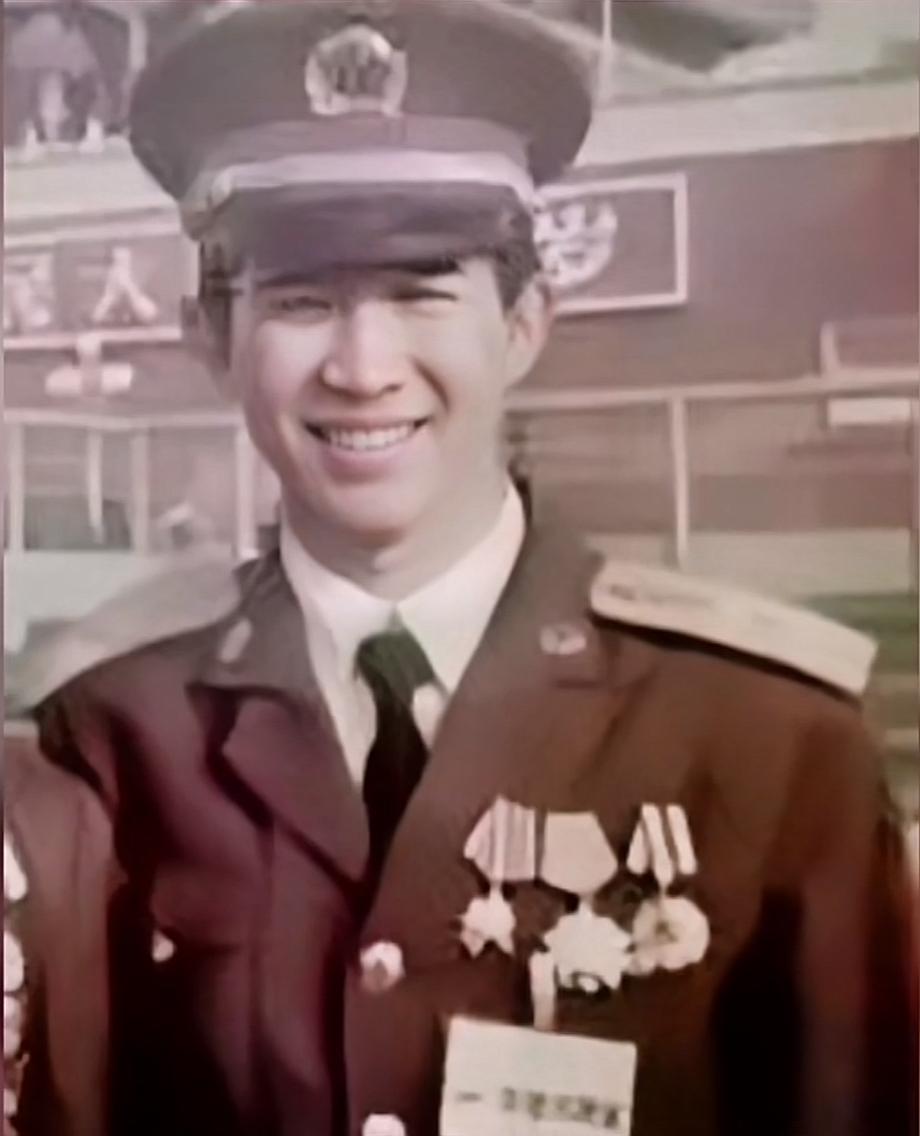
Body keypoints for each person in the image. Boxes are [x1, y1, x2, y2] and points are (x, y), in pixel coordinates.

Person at [15, 2, 917, 1135]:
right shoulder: (113, 739)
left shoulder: (766, 741)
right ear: (213, 338)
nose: (362, 367)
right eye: (300, 302)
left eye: (420, 294)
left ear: (525, 320)